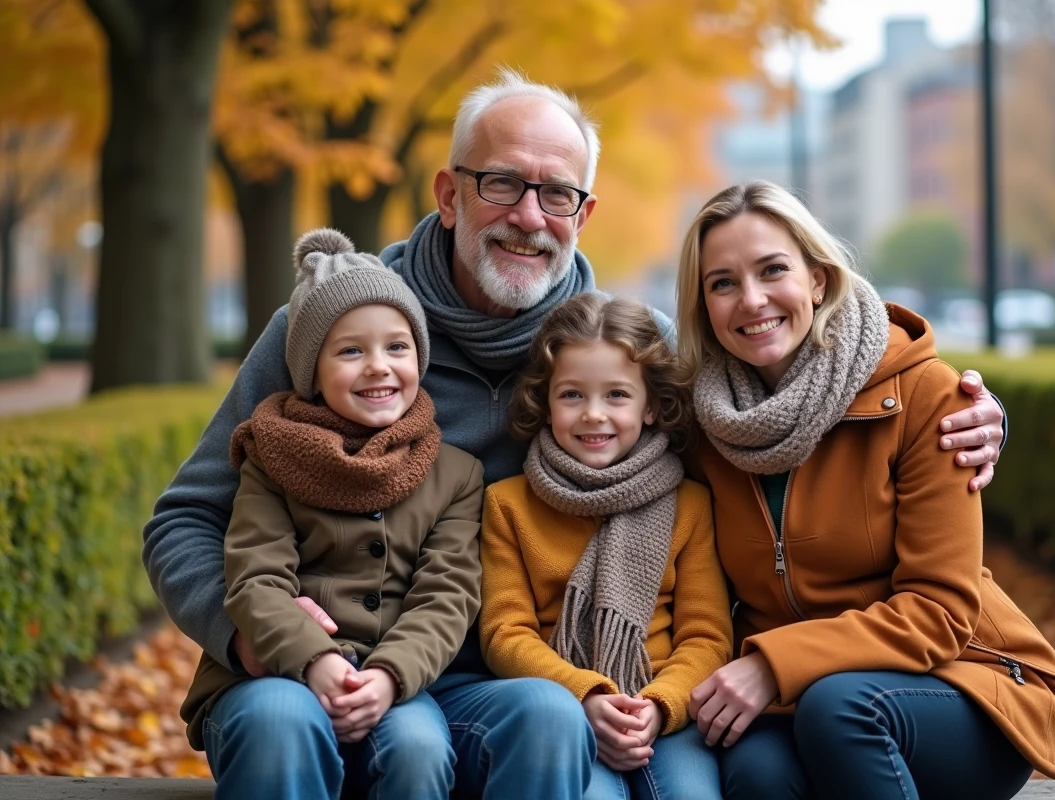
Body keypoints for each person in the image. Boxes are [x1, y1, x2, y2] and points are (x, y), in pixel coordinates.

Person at [143, 69, 1007, 798]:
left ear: (583, 215)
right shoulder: (335, 331)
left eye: (558, 193)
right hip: (306, 664)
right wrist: (245, 632)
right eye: (504, 183)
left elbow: (783, 421)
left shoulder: (630, 360)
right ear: (450, 195)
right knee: (284, 721)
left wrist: (956, 412)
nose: (530, 214)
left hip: (510, 690)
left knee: (553, 722)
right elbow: (185, 519)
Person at [674, 181, 1055, 800]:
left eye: (772, 270)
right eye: (723, 282)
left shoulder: (925, 396)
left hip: (966, 684)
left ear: (817, 279)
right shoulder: (706, 429)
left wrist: (771, 663)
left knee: (841, 709)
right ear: (704, 305)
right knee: (753, 772)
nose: (751, 299)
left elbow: (941, 612)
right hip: (801, 698)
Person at [179, 229, 484, 799]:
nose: (378, 367)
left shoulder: (455, 472)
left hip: (396, 683)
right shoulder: (271, 453)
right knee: (279, 721)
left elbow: (449, 594)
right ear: (309, 373)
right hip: (276, 673)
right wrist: (313, 658)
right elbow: (255, 578)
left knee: (418, 748)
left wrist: (391, 676)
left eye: (397, 347)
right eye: (350, 351)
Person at [480, 294, 731, 800]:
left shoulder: (690, 504)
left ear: (653, 405)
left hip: (663, 712)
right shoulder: (507, 504)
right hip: (569, 708)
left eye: (617, 395)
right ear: (545, 402)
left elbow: (707, 636)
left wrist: (661, 706)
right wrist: (585, 695)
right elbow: (505, 633)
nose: (593, 415)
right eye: (572, 395)